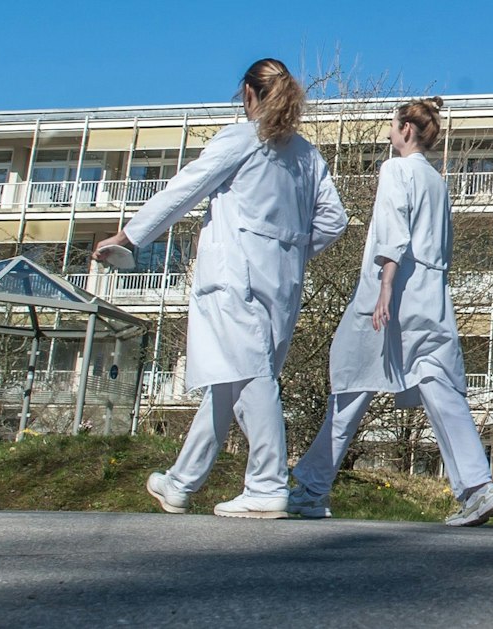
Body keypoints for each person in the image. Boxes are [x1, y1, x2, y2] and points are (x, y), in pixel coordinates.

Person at [96, 58, 347, 519]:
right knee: (230, 381)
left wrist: (129, 236)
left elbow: (184, 188)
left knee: (250, 376)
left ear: (249, 95)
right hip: (284, 279)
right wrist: (289, 248)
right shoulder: (308, 155)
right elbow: (334, 220)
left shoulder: (242, 138)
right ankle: (180, 482)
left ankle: (268, 484)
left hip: (237, 276)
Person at [288, 98, 493, 527]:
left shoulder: (396, 169)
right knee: (439, 385)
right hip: (432, 292)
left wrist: (386, 285)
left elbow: (393, 228)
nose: (389, 132)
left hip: (392, 290)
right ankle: (479, 487)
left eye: (392, 125)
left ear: (407, 128)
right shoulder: (437, 181)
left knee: (351, 382)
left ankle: (310, 491)